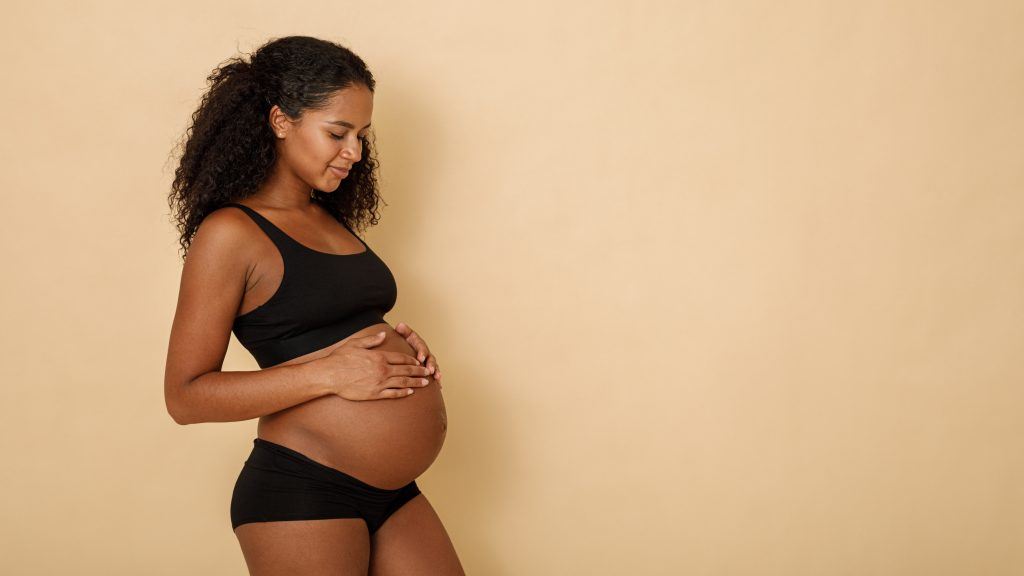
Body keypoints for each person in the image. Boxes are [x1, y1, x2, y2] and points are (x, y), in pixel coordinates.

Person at [164, 35, 465, 575]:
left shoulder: (327, 218)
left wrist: (400, 357)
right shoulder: (230, 233)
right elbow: (186, 397)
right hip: (304, 492)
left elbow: (331, 326)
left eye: (361, 136)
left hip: (394, 492)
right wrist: (335, 374)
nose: (354, 151)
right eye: (338, 132)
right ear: (281, 121)